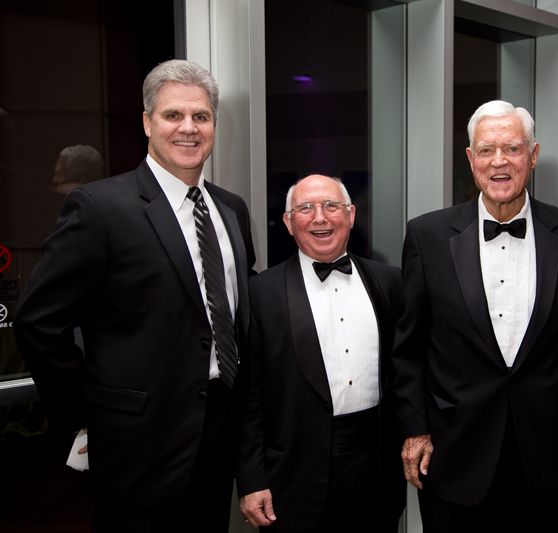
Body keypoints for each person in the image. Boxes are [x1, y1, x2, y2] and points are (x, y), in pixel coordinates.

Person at [14, 59, 256, 532]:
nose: (188, 128)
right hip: (136, 443)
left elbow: (235, 313)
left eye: (201, 117)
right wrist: (90, 415)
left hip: (218, 432)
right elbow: (38, 322)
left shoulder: (230, 208)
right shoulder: (100, 207)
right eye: (173, 115)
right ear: (147, 122)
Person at [393, 99, 558, 532]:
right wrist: (415, 429)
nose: (499, 161)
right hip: (454, 450)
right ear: (471, 159)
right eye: (486, 150)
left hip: (544, 453)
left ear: (533, 155)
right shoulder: (426, 235)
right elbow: (409, 345)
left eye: (512, 148)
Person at [238, 174, 405, 532]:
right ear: (288, 221)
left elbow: (406, 372)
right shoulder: (260, 294)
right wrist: (251, 479)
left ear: (351, 215)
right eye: (305, 208)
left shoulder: (390, 282)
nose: (320, 218)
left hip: (375, 467)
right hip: (293, 473)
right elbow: (248, 398)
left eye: (331, 206)